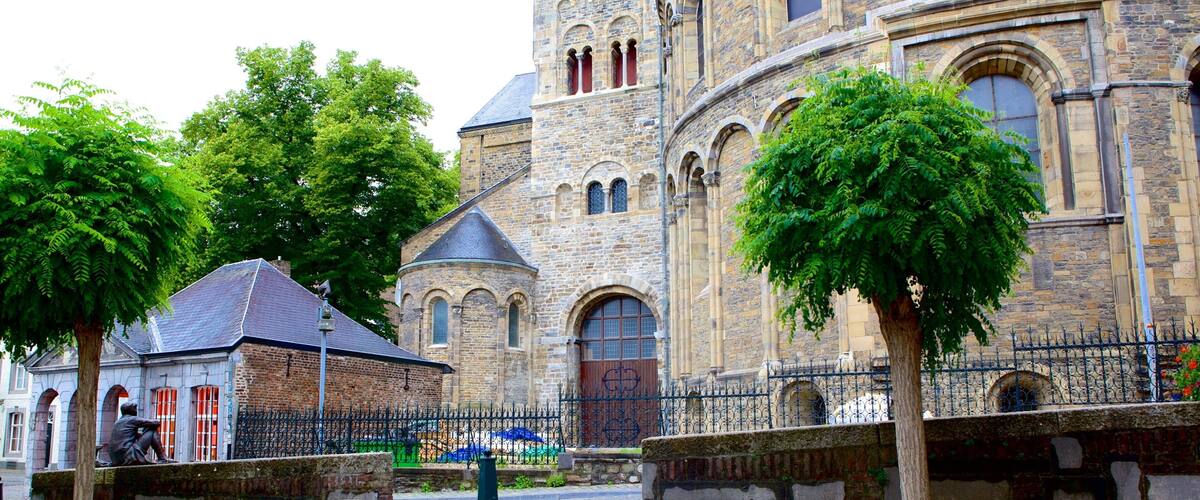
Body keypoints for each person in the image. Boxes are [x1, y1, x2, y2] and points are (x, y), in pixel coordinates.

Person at [107, 401, 175, 465]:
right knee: (152, 430)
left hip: (116, 459)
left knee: (148, 429)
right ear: (131, 410)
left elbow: (128, 437)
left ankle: (162, 457)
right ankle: (162, 457)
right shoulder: (132, 419)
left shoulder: (118, 422)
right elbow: (156, 423)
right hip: (129, 456)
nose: (136, 411)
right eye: (135, 409)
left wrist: (143, 435)